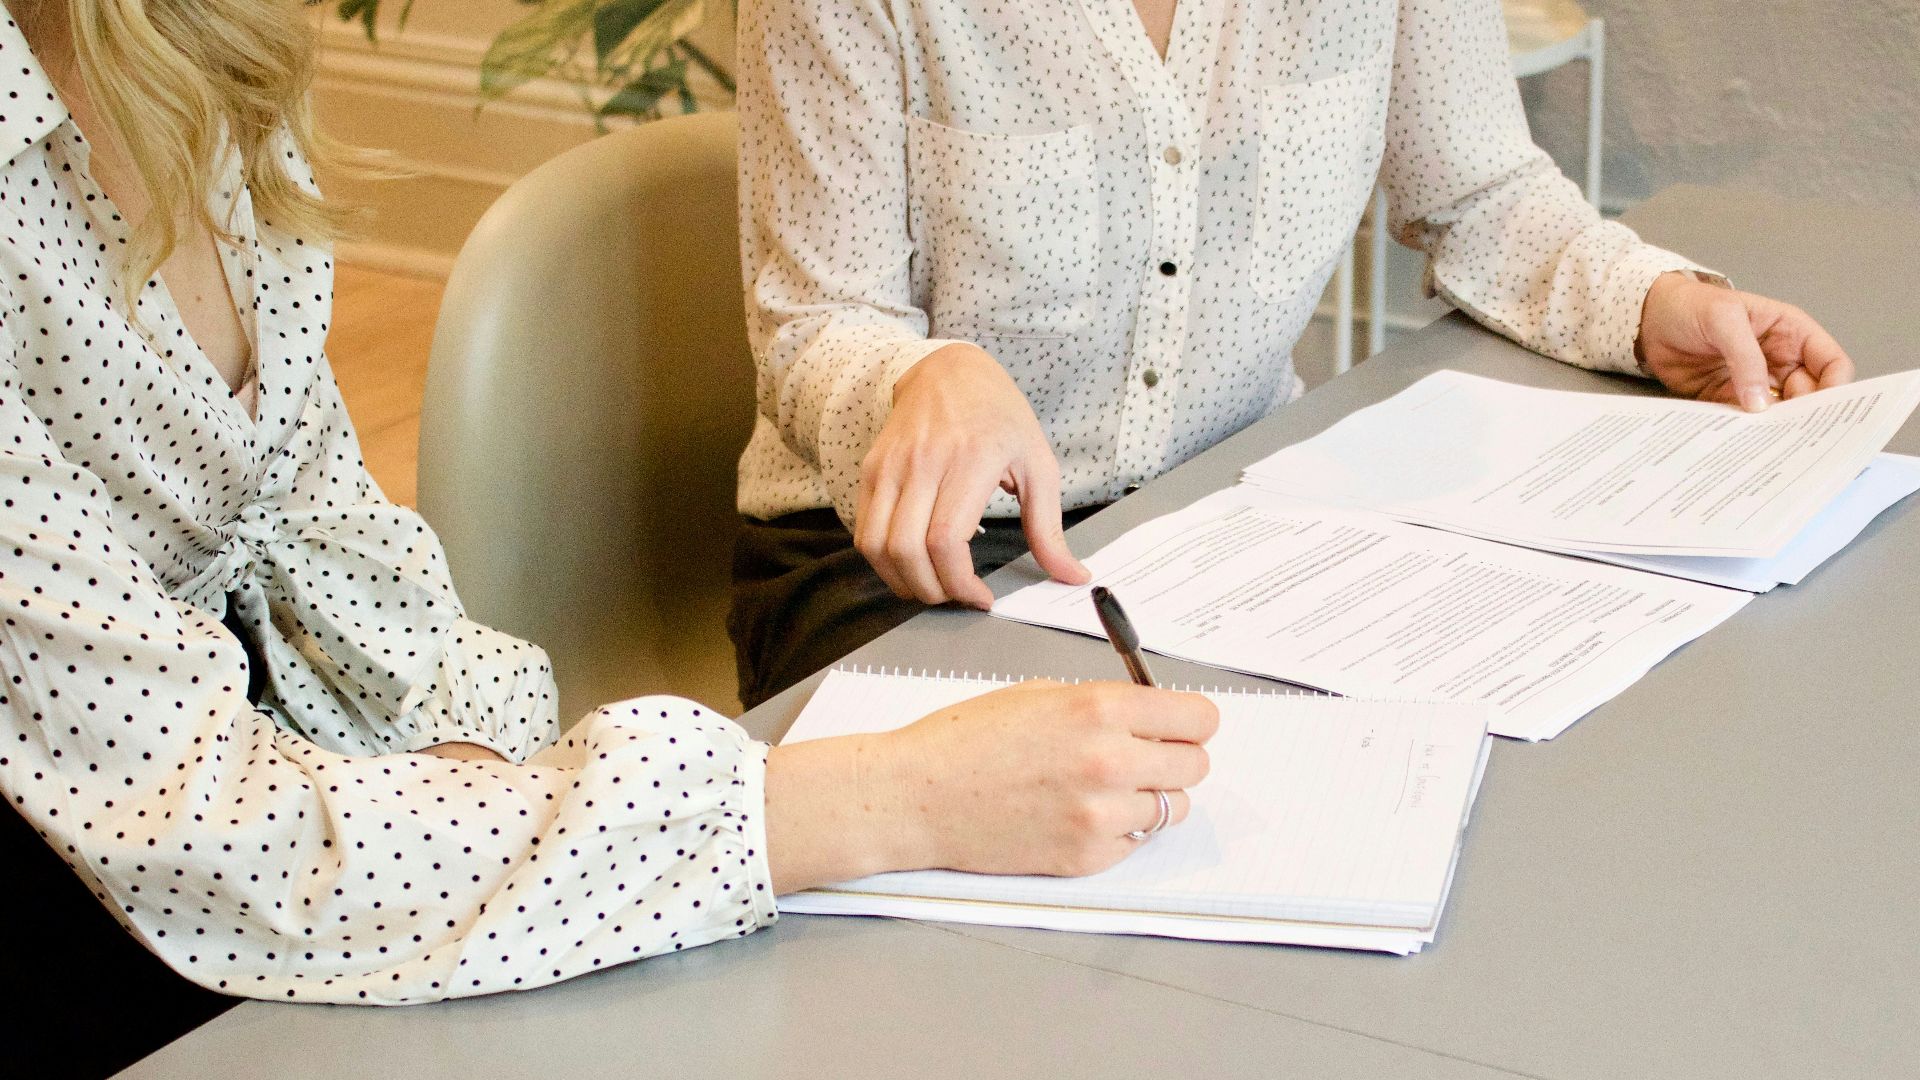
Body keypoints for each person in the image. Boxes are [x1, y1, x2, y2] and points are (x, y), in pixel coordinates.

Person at [0, 1, 1217, 1071]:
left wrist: (471, 756)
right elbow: (214, 830)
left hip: (275, 821)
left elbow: (324, 534)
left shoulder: (194, 51)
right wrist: (894, 801)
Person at [729, 0, 1857, 708]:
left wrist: (1651, 298)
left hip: (1224, 527)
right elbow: (815, 322)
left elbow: (1480, 192)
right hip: (896, 561)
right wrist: (917, 379)